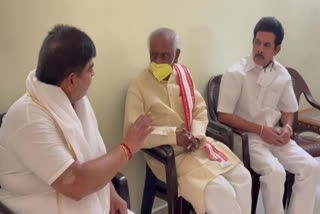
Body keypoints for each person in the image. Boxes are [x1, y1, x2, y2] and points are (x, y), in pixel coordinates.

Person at [0, 24, 153, 214]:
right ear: (72, 80)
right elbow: (75, 184)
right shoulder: (29, 120)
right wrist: (127, 148)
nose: (93, 74)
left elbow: (92, 154)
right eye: (90, 69)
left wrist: (110, 195)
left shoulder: (75, 101)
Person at [123, 28, 251, 214]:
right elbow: (132, 134)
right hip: (170, 157)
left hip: (198, 147)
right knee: (222, 192)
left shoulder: (183, 76)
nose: (158, 61)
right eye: (153, 55)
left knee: (243, 177)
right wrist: (174, 136)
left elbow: (200, 111)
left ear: (177, 54)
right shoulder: (139, 86)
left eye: (164, 55)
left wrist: (197, 136)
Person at [218, 17, 320, 214]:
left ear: (277, 49)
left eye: (266, 45)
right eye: (257, 42)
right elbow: (224, 115)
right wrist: (261, 130)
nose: (259, 49)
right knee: (275, 173)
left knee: (310, 167)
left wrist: (288, 129)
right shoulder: (236, 73)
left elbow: (288, 110)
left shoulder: (282, 75)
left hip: (275, 137)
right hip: (246, 139)